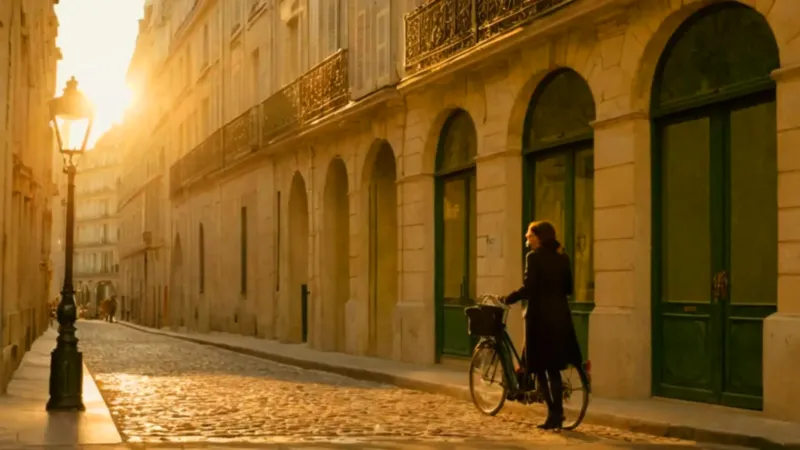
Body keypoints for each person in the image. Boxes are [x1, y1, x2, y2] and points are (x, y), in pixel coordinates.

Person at [503, 220, 582, 430]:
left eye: (529, 235)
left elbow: (528, 288)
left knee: (539, 367)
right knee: (554, 368)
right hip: (560, 316)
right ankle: (558, 414)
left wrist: (508, 298)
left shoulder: (533, 257)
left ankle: (552, 415)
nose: (527, 239)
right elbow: (568, 288)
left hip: (539, 318)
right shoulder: (562, 257)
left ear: (538, 237)